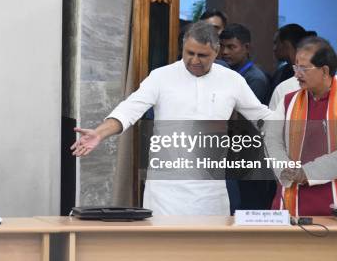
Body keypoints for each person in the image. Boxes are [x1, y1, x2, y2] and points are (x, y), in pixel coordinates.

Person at [71, 21, 272, 215]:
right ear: (182, 48)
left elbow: (261, 116)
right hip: (165, 193)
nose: (194, 60)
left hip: (211, 192)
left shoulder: (232, 80)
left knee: (209, 248)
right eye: (189, 53)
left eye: (202, 55)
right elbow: (129, 109)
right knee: (164, 248)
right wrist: (99, 133)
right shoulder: (160, 77)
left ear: (216, 52)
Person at [265, 37, 337, 216]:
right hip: (293, 197)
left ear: (324, 71)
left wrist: (307, 173)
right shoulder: (288, 101)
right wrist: (286, 169)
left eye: (304, 68)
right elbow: (272, 140)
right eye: (295, 67)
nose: (297, 74)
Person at [219, 23, 274, 212]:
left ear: (247, 48)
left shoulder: (254, 79)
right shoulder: (227, 75)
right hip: (233, 154)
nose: (225, 52)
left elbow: (241, 120)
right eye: (222, 46)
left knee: (247, 207)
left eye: (231, 47)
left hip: (248, 155)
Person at [268, 24, 308, 99]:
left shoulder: (309, 73)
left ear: (286, 45)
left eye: (276, 43)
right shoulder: (280, 72)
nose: (274, 48)